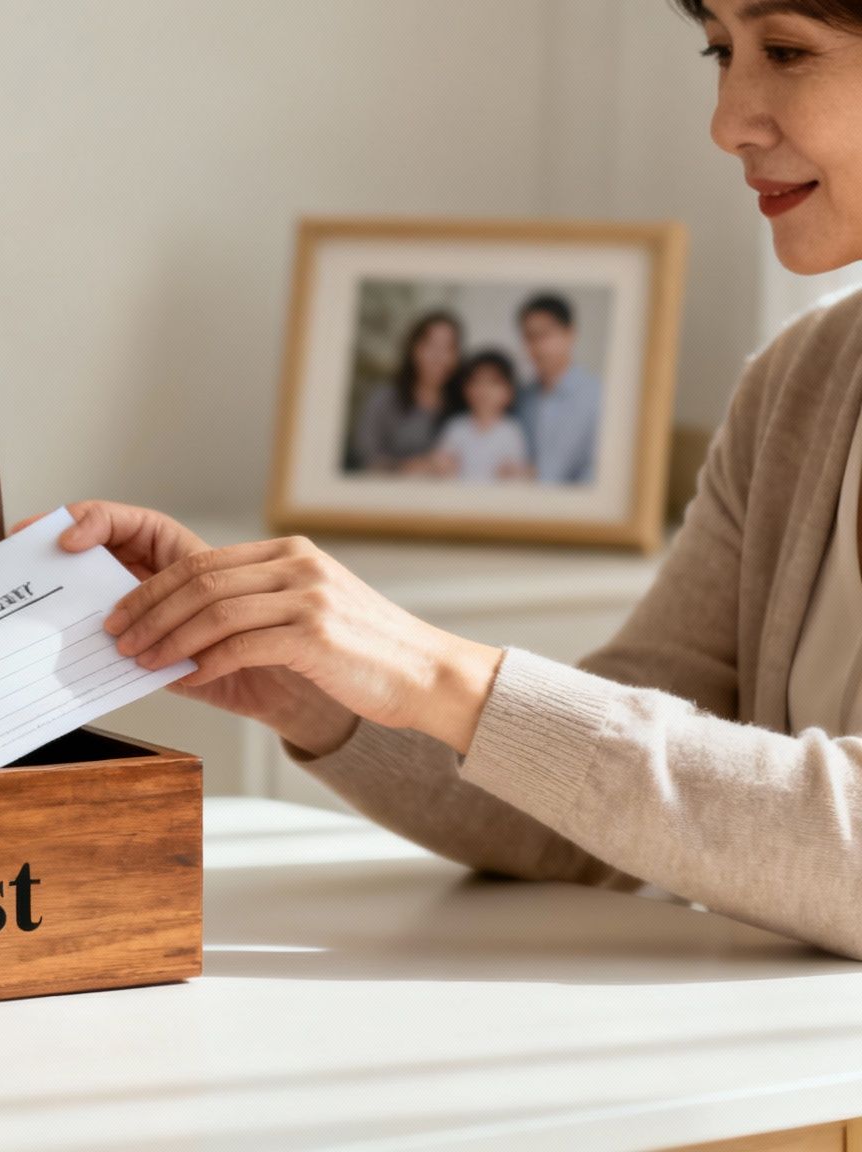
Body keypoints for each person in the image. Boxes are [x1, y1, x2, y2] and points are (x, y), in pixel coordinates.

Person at [48, 0, 862, 959]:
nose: (728, 120)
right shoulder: (803, 384)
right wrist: (322, 690)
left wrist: (429, 668)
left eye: (788, 51)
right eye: (720, 51)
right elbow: (593, 807)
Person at [351, 310, 460, 475]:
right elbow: (364, 457)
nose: (439, 356)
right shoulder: (384, 398)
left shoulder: (460, 405)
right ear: (414, 349)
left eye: (448, 348)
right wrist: (413, 466)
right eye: (432, 345)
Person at [513, 292, 602, 485]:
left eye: (545, 335)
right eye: (529, 337)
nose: (537, 346)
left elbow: (598, 473)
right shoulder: (521, 396)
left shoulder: (599, 397)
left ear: (570, 335)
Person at [428, 350, 533, 484]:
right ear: (465, 389)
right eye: (476, 382)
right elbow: (441, 464)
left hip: (495, 502)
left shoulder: (512, 431)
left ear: (509, 392)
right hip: (457, 500)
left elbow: (517, 474)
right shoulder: (456, 427)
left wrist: (515, 473)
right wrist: (441, 465)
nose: (484, 390)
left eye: (493, 382)